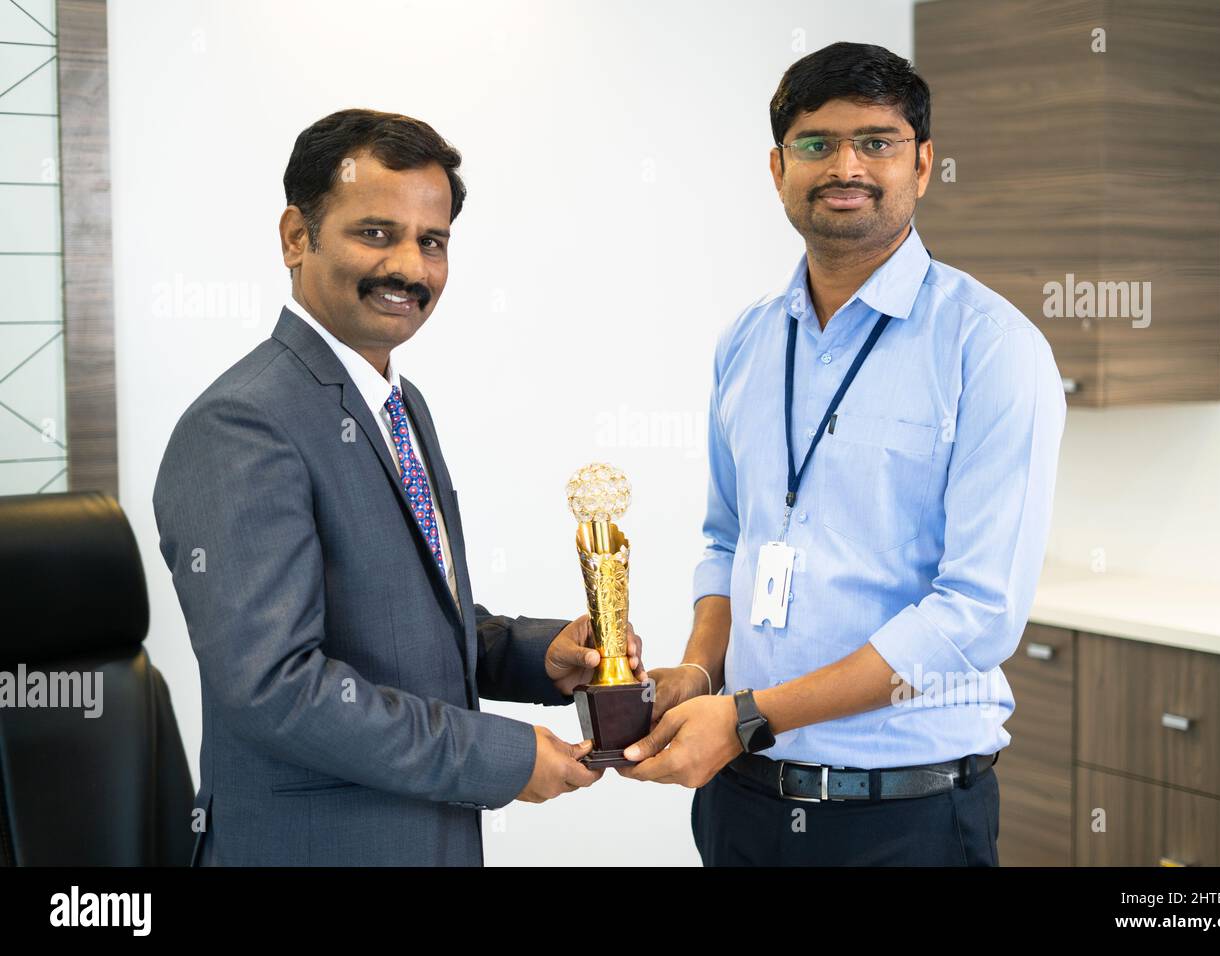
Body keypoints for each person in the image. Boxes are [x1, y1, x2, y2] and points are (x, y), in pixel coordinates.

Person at [153, 109, 641, 866]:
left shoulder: (397, 404)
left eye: (433, 241)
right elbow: (278, 690)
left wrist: (537, 654)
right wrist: (500, 758)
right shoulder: (241, 425)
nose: (411, 268)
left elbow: (403, 625)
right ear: (295, 237)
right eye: (376, 234)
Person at [620, 42, 1066, 866]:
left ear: (924, 163)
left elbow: (975, 617)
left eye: (877, 141)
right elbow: (728, 541)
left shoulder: (993, 348)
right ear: (778, 166)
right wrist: (696, 671)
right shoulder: (746, 343)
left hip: (905, 821)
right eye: (816, 144)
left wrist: (752, 713)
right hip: (742, 806)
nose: (845, 165)